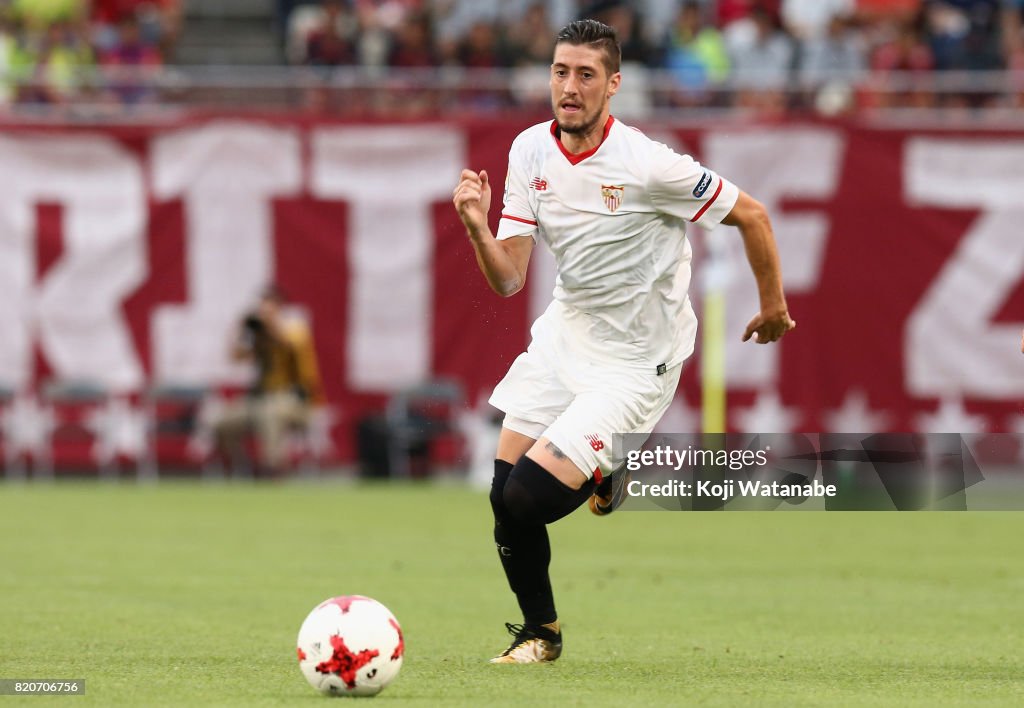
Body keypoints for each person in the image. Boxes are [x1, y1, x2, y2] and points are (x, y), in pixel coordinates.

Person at [451, 19, 795, 664]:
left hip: (637, 361)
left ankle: (611, 464)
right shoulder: (529, 151)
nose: (570, 87)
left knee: (529, 495)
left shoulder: (649, 164)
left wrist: (773, 305)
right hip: (565, 335)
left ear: (614, 84)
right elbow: (508, 281)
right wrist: (477, 227)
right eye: (560, 72)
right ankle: (541, 635)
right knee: (504, 499)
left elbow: (753, 214)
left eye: (586, 75)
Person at [213, 285, 325, 477]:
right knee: (220, 421)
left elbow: (288, 344)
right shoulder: (259, 334)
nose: (263, 311)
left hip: (295, 399)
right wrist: (242, 329)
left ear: (279, 307)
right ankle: (243, 469)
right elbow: (235, 357)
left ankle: (273, 471)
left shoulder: (295, 327)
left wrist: (269, 324)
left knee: (270, 413)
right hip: (261, 397)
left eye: (268, 306)